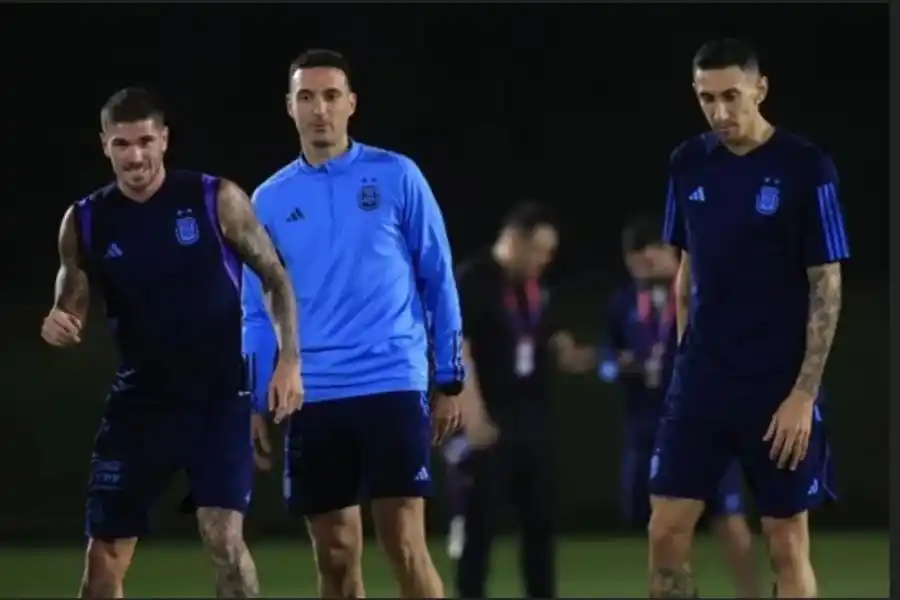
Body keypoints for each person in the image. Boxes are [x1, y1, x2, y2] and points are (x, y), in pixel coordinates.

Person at [40, 87, 303, 599]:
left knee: (224, 539)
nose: (134, 155)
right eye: (121, 144)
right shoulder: (86, 219)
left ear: (164, 139)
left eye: (144, 141)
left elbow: (274, 276)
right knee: (102, 562)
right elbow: (70, 297)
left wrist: (289, 358)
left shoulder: (213, 198)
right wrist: (60, 321)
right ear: (104, 146)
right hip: (139, 403)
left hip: (218, 397)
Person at [242, 49, 465, 599]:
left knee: (405, 545)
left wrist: (449, 377)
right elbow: (256, 305)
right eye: (307, 97)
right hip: (313, 394)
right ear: (289, 108)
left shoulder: (396, 175)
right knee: (336, 556)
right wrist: (253, 393)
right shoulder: (269, 199)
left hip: (392, 380)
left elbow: (438, 276)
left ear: (352, 104)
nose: (320, 109)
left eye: (331, 95)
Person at [648, 39, 848, 598]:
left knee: (785, 542)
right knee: (665, 532)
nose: (720, 111)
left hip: (776, 390)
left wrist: (803, 395)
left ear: (760, 89)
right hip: (702, 385)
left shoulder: (806, 166)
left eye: (732, 96)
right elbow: (687, 271)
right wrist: (688, 364)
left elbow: (826, 284)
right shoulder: (687, 162)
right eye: (706, 98)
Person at [560, 215, 760, 597]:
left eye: (652, 254)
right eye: (635, 257)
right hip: (650, 428)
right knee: (664, 527)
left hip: (706, 425)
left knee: (728, 520)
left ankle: (750, 594)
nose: (644, 264)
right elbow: (611, 357)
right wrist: (603, 362)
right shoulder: (622, 304)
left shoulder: (703, 292)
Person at [449, 202, 582, 599]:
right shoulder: (473, 279)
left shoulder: (534, 287)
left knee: (541, 526)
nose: (544, 260)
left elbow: (549, 334)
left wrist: (569, 351)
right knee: (479, 528)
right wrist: (473, 414)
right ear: (514, 240)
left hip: (532, 419)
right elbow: (460, 349)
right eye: (539, 250)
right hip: (489, 418)